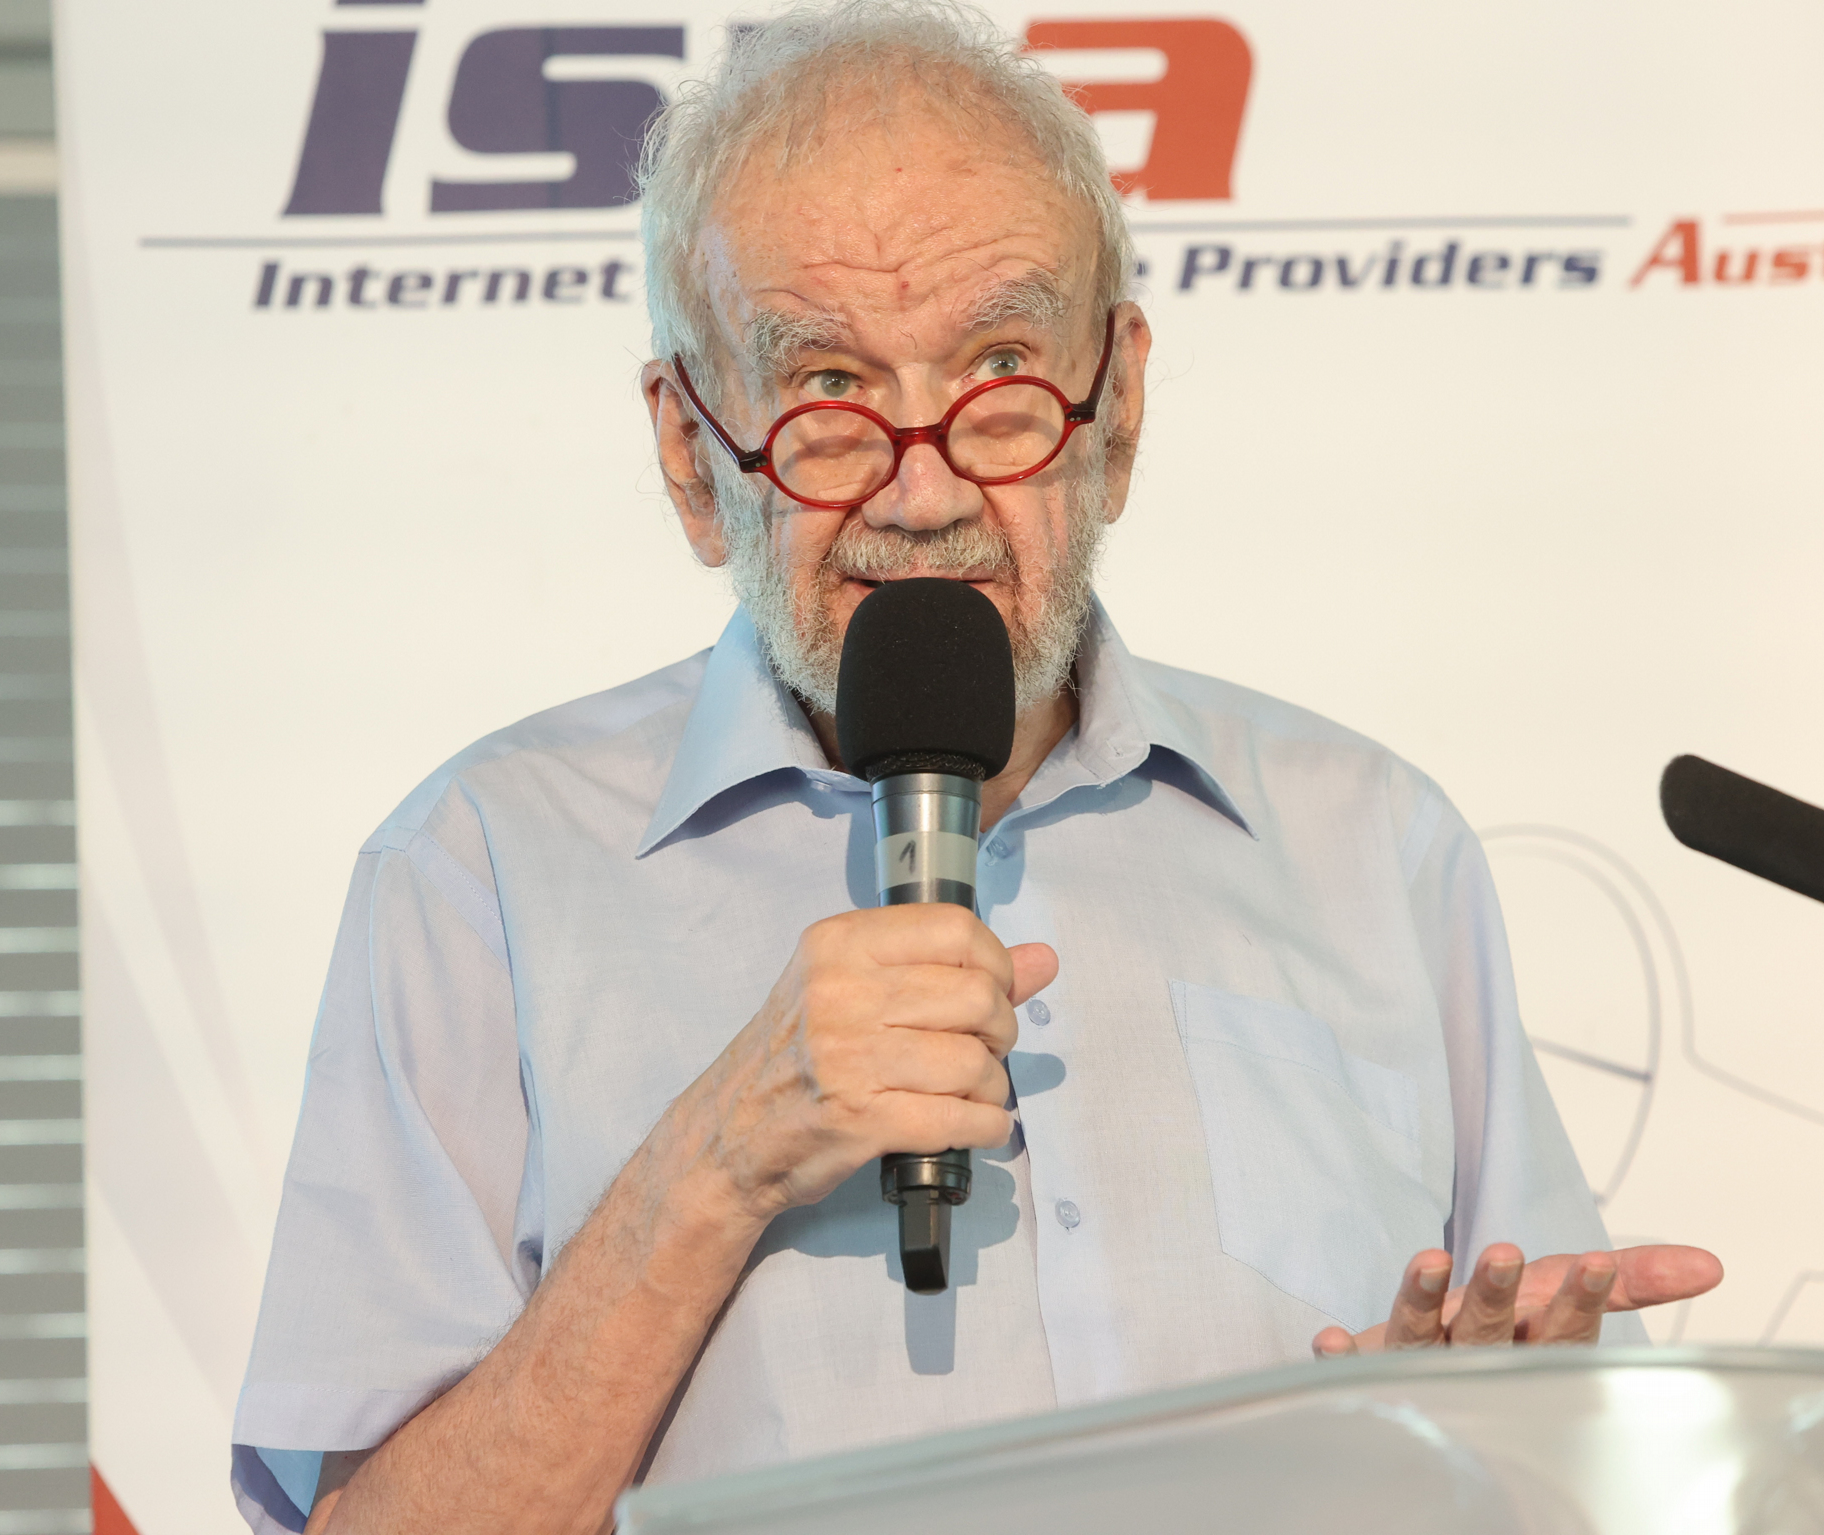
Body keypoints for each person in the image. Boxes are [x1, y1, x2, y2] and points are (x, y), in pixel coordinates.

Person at [231, 3, 1722, 1531]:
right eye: (826, 394)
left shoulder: (1371, 843)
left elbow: (1581, 1459)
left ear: (1118, 408)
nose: (927, 488)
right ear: (692, 449)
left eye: (1001, 371)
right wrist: (719, 1157)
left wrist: (1476, 1456)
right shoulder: (479, 868)